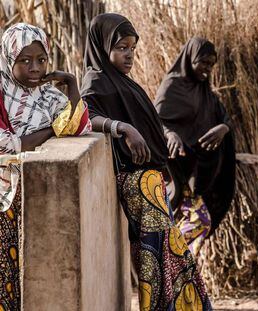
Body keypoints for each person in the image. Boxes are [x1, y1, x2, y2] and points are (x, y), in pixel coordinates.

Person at [81, 14, 212, 310]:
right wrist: (123, 128)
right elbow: (84, 116)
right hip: (137, 184)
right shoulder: (96, 80)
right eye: (122, 47)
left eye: (133, 48)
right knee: (158, 257)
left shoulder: (123, 82)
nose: (129, 55)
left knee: (166, 254)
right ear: (103, 47)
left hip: (151, 182)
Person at [0, 23, 91, 310]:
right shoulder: (1, 94)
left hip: (37, 196)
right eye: (24, 60)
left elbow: (78, 127)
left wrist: (73, 86)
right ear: (7, 59)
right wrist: (52, 130)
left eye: (41, 60)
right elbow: (6, 144)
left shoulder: (50, 96)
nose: (35, 67)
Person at [154, 37, 236, 256]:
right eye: (203, 63)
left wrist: (223, 129)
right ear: (190, 59)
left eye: (211, 64)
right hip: (177, 169)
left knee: (196, 223)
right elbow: (154, 122)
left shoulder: (203, 90)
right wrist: (170, 134)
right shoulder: (172, 85)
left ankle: (174, 269)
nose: (207, 69)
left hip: (197, 171)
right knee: (199, 221)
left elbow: (225, 118)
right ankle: (169, 261)